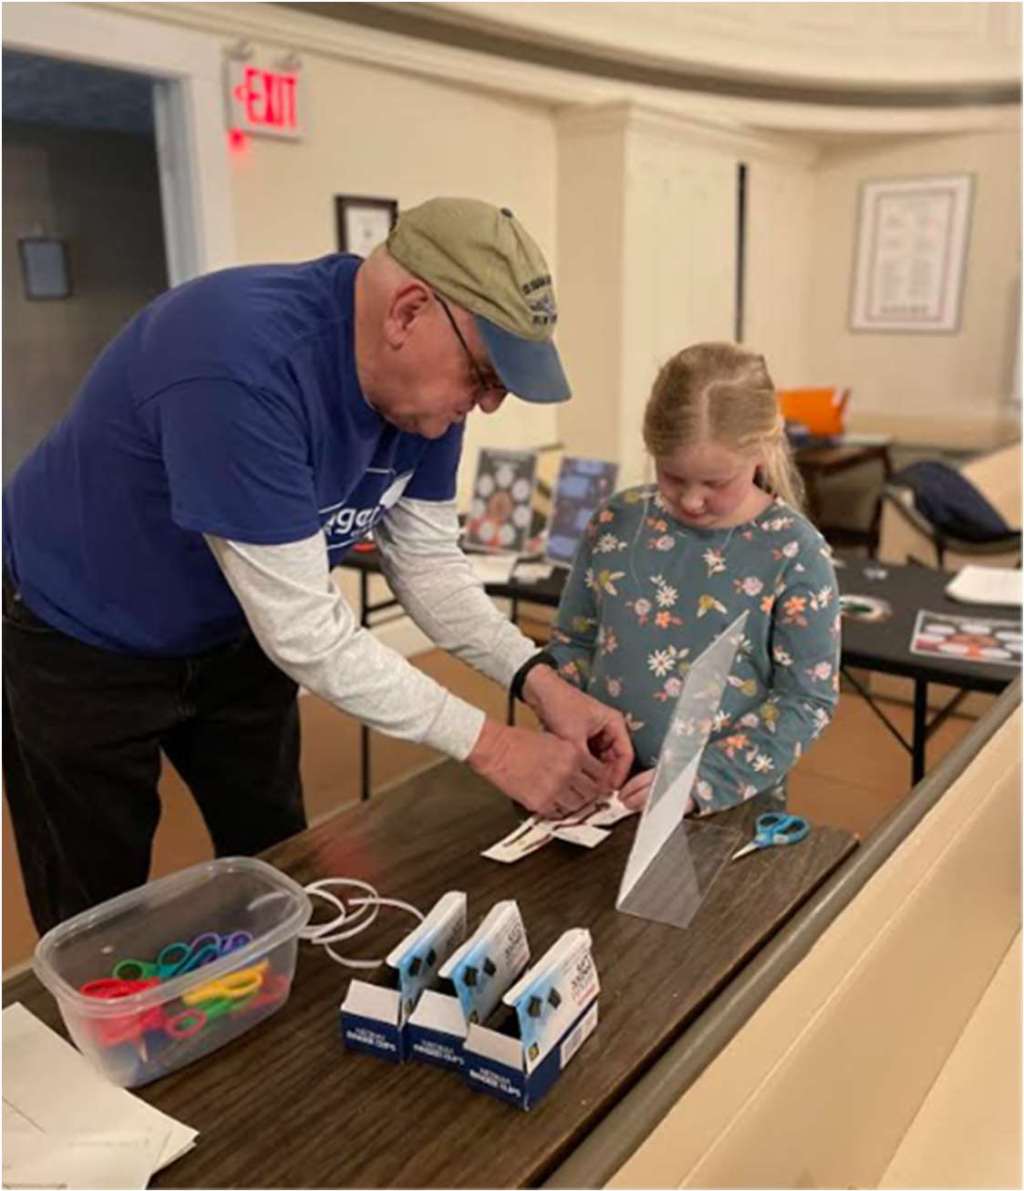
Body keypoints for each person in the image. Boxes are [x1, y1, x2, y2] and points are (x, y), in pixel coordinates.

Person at [2, 197, 633, 934]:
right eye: (486, 375)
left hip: (234, 630)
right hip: (80, 631)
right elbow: (308, 632)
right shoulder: (236, 362)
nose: (486, 405)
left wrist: (541, 682)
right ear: (407, 312)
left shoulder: (423, 396)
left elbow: (428, 566)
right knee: (96, 912)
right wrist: (497, 747)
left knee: (276, 856)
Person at [542, 342, 840, 814]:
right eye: (673, 476)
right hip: (600, 791)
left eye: (716, 483)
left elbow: (805, 701)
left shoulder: (794, 553)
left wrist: (707, 780)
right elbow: (572, 644)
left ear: (762, 450)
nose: (692, 500)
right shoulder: (617, 521)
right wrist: (567, 730)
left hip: (723, 805)